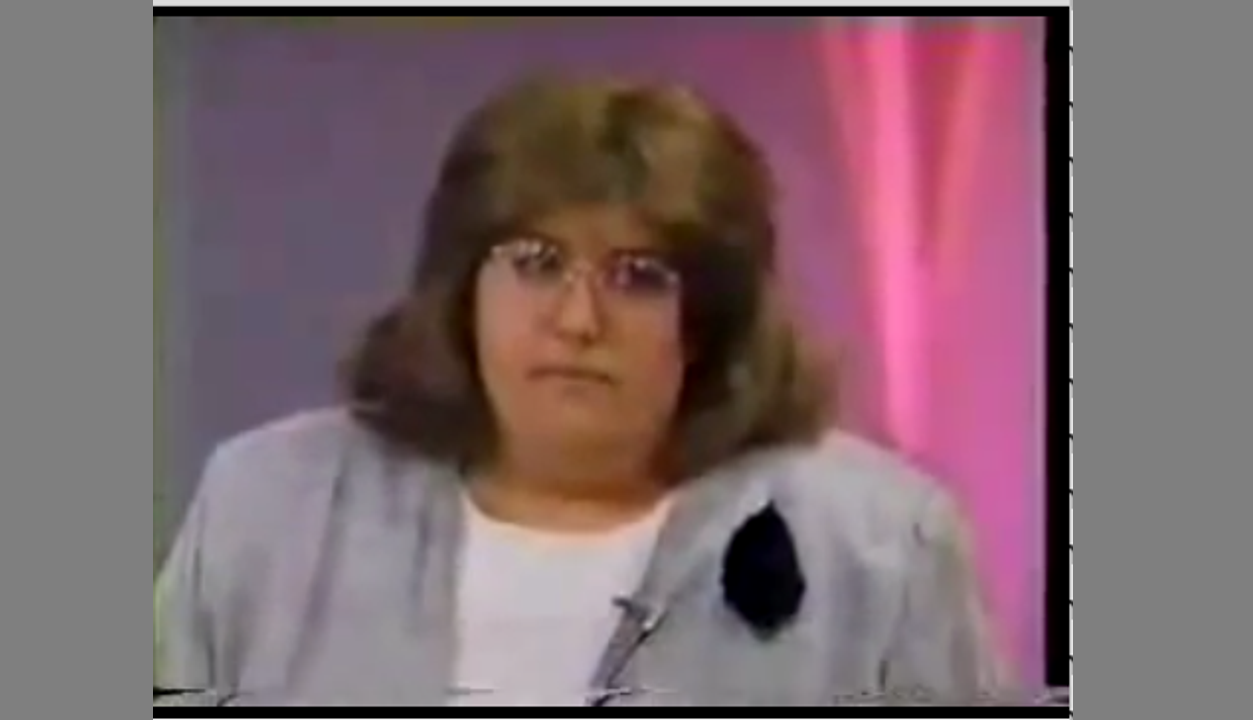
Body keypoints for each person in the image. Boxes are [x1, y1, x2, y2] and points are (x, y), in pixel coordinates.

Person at [154, 76, 1008, 707]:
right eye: (536, 264)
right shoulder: (268, 507)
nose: (578, 320)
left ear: (708, 319)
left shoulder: (881, 547)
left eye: (637, 276)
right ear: (463, 288)